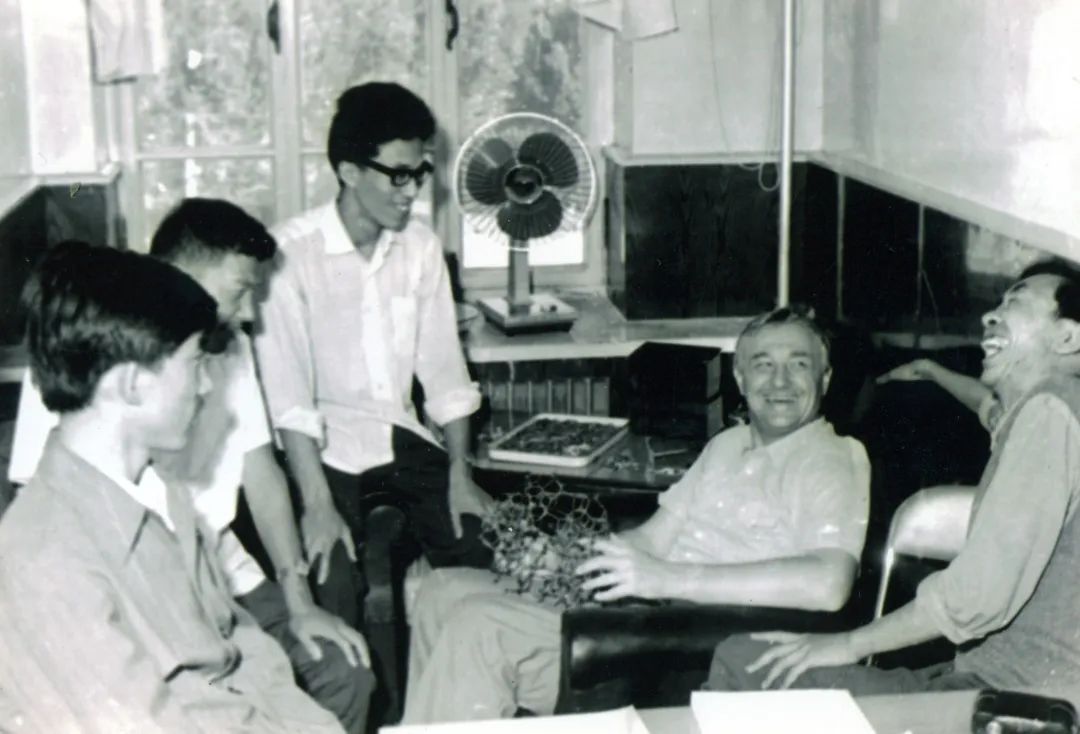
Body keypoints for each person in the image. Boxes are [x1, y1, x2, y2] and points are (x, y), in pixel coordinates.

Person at [7, 199, 373, 734]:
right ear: (133, 383)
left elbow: (242, 659)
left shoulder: (168, 499)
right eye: (195, 364)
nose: (206, 385)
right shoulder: (46, 562)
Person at [401, 307, 871, 723]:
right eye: (763, 365)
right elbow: (650, 541)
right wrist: (563, 560)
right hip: (645, 613)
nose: (781, 382)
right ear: (740, 379)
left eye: (799, 364)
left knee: (480, 628)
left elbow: (829, 584)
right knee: (441, 591)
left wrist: (666, 580)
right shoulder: (728, 444)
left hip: (693, 644)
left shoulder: (830, 458)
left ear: (825, 379)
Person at [707, 260, 1080, 696]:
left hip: (1010, 700)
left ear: (1067, 337)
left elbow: (976, 596)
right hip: (1001, 681)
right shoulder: (1053, 410)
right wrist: (932, 371)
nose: (989, 315)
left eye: (1015, 301)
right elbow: (992, 411)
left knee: (744, 665)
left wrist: (846, 645)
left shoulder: (1048, 415)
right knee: (748, 661)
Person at [253, 82, 493, 631]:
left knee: (486, 548)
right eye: (398, 175)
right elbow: (289, 400)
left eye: (420, 173)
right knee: (331, 578)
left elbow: (446, 378)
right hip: (324, 450)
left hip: (401, 438)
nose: (413, 192)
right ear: (349, 171)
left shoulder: (421, 248)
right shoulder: (287, 256)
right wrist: (316, 505)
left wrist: (459, 474)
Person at [877, 358, 1002, 442]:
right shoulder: (1001, 413)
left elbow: (986, 402)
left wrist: (929, 369)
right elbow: (986, 401)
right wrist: (929, 369)